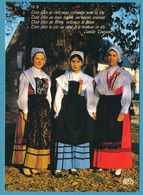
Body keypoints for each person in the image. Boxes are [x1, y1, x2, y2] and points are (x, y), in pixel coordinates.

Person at [53, 51, 96, 177]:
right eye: (73, 61)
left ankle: (72, 165)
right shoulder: (62, 79)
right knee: (63, 135)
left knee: (77, 136)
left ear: (82, 63)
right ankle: (59, 167)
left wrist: (92, 111)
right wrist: (57, 111)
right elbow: (58, 96)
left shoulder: (87, 80)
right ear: (69, 62)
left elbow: (90, 97)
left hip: (80, 112)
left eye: (78, 61)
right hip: (66, 110)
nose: (75, 64)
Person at [93, 45, 132, 177]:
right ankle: (103, 163)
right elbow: (96, 94)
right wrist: (93, 109)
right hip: (104, 106)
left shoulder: (124, 74)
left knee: (116, 136)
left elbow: (127, 94)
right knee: (103, 134)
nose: (111, 58)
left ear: (118, 57)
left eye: (114, 55)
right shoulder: (102, 74)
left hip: (117, 106)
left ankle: (117, 165)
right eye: (109, 55)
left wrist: (123, 111)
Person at [12, 48, 52, 177]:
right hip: (31, 106)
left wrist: (49, 110)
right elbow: (22, 93)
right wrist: (25, 110)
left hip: (43, 109)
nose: (39, 61)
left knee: (40, 137)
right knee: (29, 135)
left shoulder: (46, 76)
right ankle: (26, 165)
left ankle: (35, 164)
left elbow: (48, 95)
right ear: (32, 59)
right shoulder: (26, 74)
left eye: (42, 58)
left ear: (44, 60)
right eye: (37, 58)